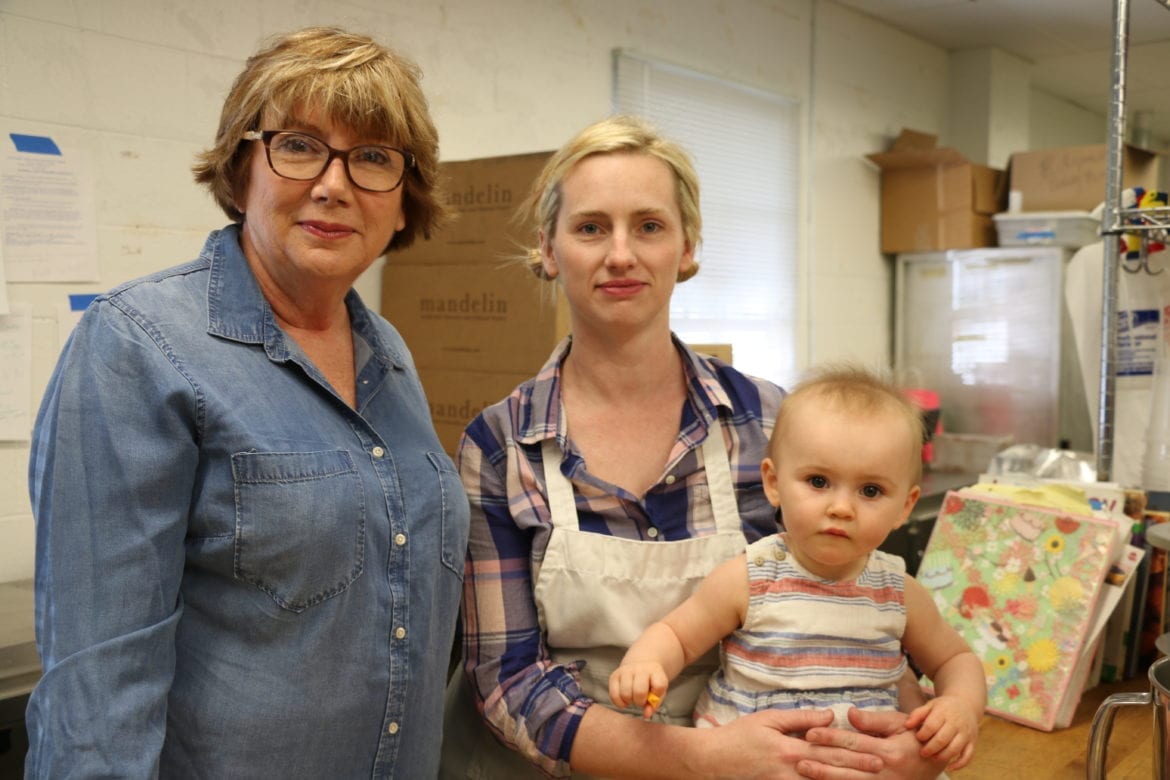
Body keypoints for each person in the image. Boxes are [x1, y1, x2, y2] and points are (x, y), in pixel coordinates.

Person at [441, 115, 948, 779]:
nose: (620, 254)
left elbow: (848, 604)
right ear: (548, 248)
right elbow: (507, 681)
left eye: (649, 226)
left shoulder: (767, 419)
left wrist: (907, 739)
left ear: (686, 247)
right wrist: (696, 758)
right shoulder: (501, 444)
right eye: (591, 227)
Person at [25, 27, 468, 778]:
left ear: (403, 203)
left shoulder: (387, 351)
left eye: (372, 158)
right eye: (298, 145)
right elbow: (98, 697)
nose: (334, 184)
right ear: (240, 172)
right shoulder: (137, 348)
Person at [610, 366, 986, 773]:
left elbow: (955, 660)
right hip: (754, 763)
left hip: (869, 766)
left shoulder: (899, 592)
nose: (841, 507)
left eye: (871, 490)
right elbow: (677, 636)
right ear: (774, 483)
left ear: (906, 507)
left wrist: (961, 706)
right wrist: (646, 663)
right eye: (818, 481)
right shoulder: (750, 577)